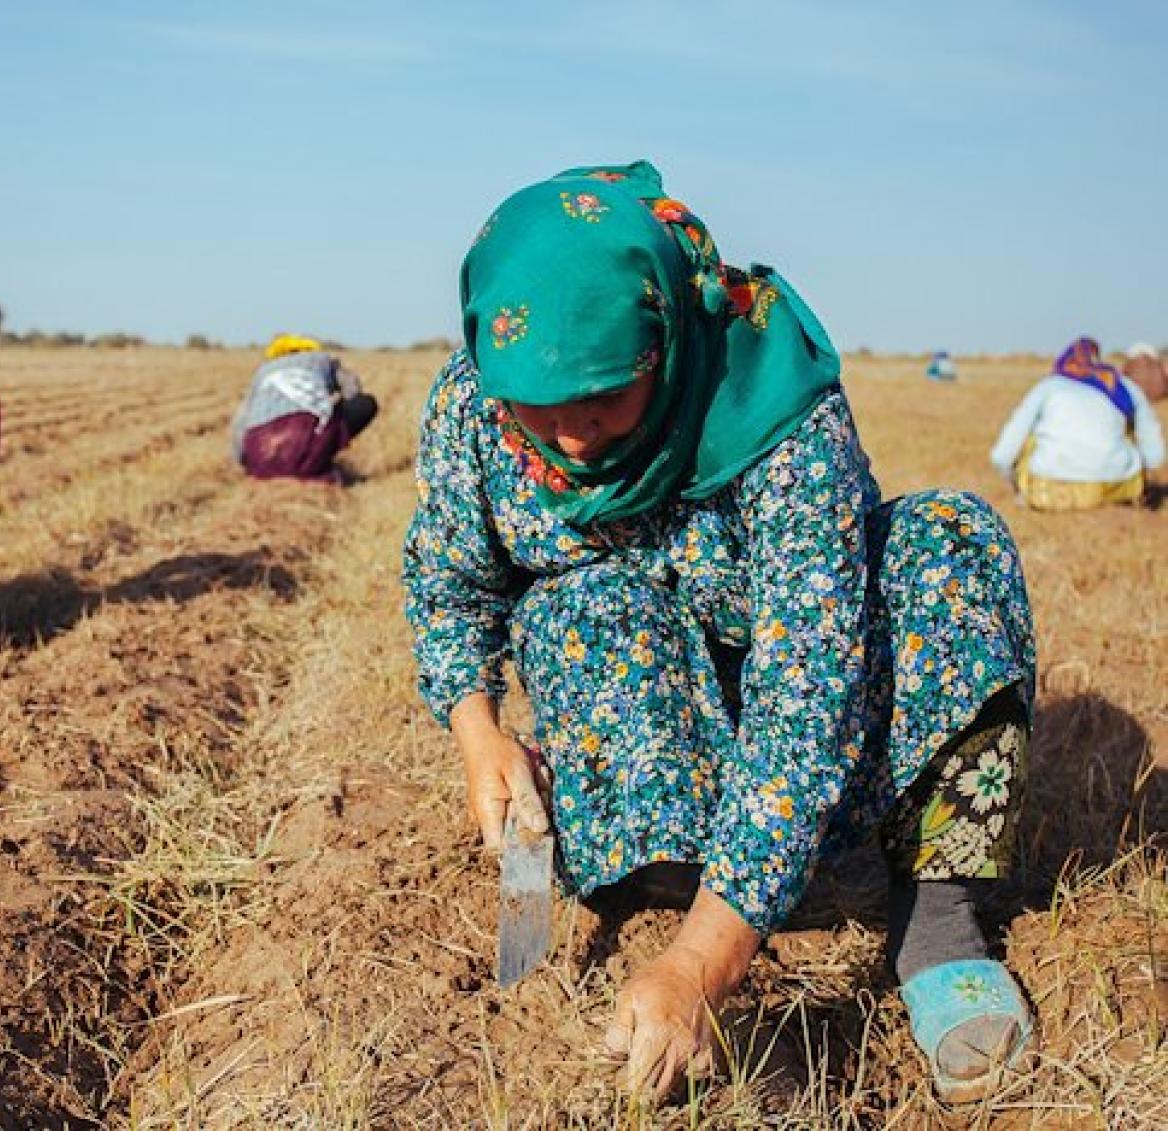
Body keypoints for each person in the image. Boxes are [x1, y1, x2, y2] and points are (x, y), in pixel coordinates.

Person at [402, 162, 1038, 1104]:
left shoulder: (767, 398)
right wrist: (477, 728)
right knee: (583, 600)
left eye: (605, 396)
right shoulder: (476, 407)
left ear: (662, 340)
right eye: (542, 405)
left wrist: (706, 962)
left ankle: (935, 923)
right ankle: (675, 873)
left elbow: (808, 684)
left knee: (950, 543)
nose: (574, 436)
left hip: (816, 705)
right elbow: (451, 583)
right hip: (659, 743)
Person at [989, 337, 1164, 511]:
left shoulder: (1049, 386)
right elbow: (1155, 456)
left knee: (1033, 439)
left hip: (1051, 488)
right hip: (1120, 487)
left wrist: (1013, 479)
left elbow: (1002, 454)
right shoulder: (1125, 387)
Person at [230, 334, 378, 481]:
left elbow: (241, 420)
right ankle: (319, 460)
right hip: (305, 444)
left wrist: (246, 461)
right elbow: (353, 391)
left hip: (260, 457)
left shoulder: (263, 372)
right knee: (364, 404)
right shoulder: (324, 360)